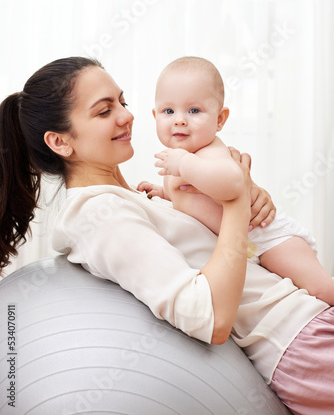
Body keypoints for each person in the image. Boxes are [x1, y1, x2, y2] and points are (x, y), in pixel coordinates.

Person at [0, 56, 333, 415]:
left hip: (308, 321)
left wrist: (249, 201)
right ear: (61, 142)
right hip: (298, 340)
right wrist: (236, 203)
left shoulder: (134, 198)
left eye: (123, 102)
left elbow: (230, 244)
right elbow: (209, 316)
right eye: (104, 111)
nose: (127, 116)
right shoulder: (98, 215)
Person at [138, 56, 334, 307]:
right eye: (168, 111)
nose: (180, 119)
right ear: (155, 116)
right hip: (247, 247)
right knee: (298, 296)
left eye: (194, 110)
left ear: (220, 119)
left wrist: (184, 165)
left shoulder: (210, 153)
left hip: (270, 237)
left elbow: (233, 183)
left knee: (322, 289)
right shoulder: (181, 161)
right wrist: (162, 192)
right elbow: (191, 196)